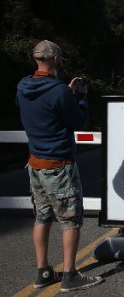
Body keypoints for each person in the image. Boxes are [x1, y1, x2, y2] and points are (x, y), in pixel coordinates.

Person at [15, 40, 104, 293]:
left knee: (41, 217)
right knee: (70, 221)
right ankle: (70, 275)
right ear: (55, 59)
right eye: (61, 58)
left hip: (35, 165)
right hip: (59, 165)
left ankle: (43, 271)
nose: (62, 61)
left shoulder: (22, 87)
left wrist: (64, 93)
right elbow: (77, 121)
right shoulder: (59, 91)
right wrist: (80, 97)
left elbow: (42, 109)